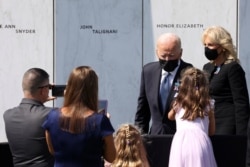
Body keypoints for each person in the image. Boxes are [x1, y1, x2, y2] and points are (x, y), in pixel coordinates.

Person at [42, 66, 116, 167]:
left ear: (69, 88)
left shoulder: (52, 117)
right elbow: (111, 157)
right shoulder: (100, 121)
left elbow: (52, 150)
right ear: (93, 90)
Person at [134, 33, 193, 135]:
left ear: (180, 53)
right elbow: (143, 110)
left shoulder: (189, 72)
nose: (167, 59)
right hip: (155, 135)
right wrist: (139, 137)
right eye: (163, 55)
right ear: (157, 52)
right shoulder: (148, 71)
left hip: (180, 136)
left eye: (171, 55)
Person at [202, 26, 250, 135]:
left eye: (210, 45)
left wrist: (241, 134)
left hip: (226, 124)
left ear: (222, 46)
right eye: (205, 45)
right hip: (209, 123)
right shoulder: (207, 67)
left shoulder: (233, 68)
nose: (206, 48)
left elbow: (241, 102)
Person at [3, 68, 55, 167]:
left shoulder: (7, 115)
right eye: (48, 87)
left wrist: (40, 101)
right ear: (43, 90)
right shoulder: (50, 114)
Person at [168, 67, 217, 167]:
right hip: (201, 142)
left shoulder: (178, 103)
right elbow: (211, 132)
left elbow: (170, 117)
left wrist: (174, 109)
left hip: (180, 142)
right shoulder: (208, 105)